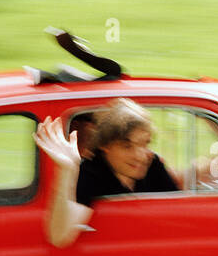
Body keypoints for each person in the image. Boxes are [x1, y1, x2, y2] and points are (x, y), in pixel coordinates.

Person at [36, 98, 179, 248]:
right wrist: (66, 170)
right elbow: (59, 237)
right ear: (105, 146)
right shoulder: (91, 173)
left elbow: (177, 216)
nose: (140, 156)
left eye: (145, 143)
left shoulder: (152, 164)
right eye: (126, 146)